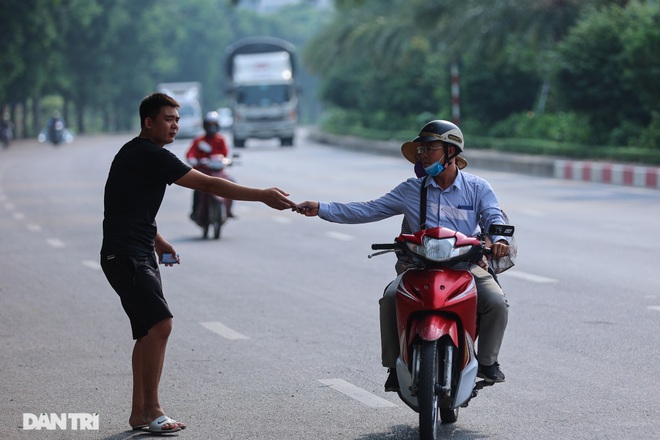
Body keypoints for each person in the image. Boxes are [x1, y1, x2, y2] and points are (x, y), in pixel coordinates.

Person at [100, 93, 296, 434]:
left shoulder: (138, 154)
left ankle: (139, 413)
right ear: (148, 122)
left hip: (137, 249)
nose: (175, 124)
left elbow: (127, 207)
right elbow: (207, 182)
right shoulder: (148, 154)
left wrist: (158, 242)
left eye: (177, 118)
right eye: (167, 118)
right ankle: (153, 410)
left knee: (148, 332)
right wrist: (262, 195)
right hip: (126, 254)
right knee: (161, 325)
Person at [294, 120, 512, 390]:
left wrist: (500, 240)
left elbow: (493, 217)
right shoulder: (411, 189)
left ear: (451, 152)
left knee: (496, 302)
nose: (422, 155)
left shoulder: (478, 188)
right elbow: (368, 209)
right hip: (419, 266)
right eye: (421, 149)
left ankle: (488, 362)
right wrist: (322, 208)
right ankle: (395, 365)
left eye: (429, 149)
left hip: (466, 266)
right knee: (390, 298)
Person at [186, 111, 235, 219]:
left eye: (214, 125)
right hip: (203, 170)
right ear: (205, 126)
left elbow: (225, 154)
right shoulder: (199, 140)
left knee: (232, 183)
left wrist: (226, 160)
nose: (212, 128)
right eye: (209, 125)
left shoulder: (220, 140)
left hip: (218, 171)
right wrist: (193, 159)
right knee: (198, 189)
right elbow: (191, 153)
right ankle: (195, 211)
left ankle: (229, 209)